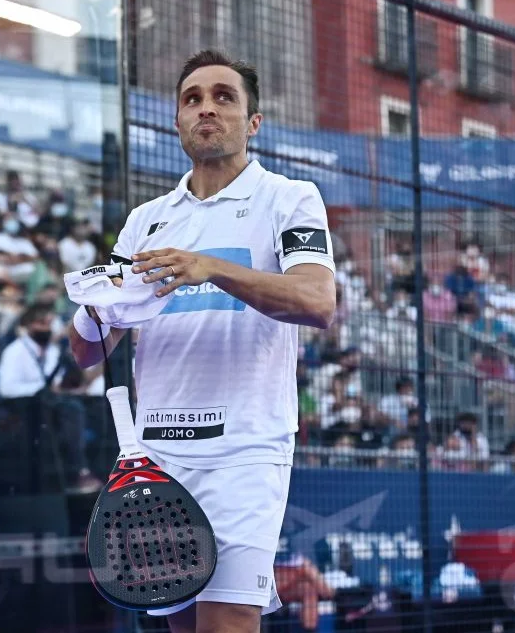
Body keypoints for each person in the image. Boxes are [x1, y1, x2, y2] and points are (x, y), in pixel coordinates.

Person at [67, 50, 336, 633]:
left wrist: (209, 267)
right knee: (184, 626)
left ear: (253, 122)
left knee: (230, 620)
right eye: (192, 99)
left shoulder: (288, 198)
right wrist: (91, 313)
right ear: (177, 122)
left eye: (223, 97)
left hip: (246, 446)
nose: (206, 108)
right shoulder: (145, 220)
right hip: (159, 453)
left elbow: (317, 303)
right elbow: (90, 352)